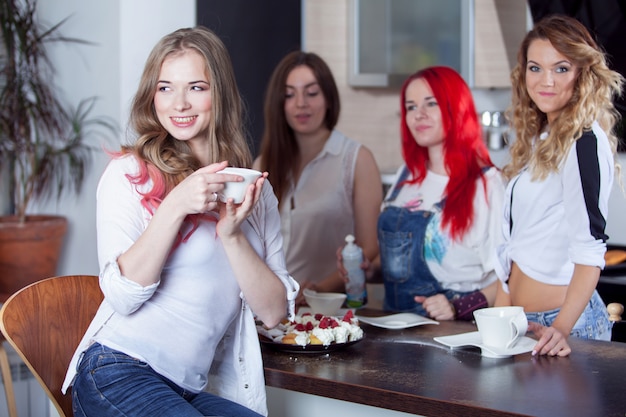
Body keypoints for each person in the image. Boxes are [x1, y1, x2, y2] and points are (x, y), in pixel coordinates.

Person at [61, 26, 298, 417]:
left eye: (197, 87)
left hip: (187, 388)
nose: (179, 103)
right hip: (118, 372)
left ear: (218, 93)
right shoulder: (129, 173)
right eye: (165, 88)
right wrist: (175, 205)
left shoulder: (255, 192)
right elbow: (121, 295)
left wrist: (231, 235)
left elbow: (274, 315)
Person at [495, 14, 624, 356]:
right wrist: (501, 311)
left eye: (561, 68)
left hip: (565, 326)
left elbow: (590, 251)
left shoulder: (582, 141)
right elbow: (518, 242)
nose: (545, 81)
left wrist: (561, 329)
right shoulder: (540, 139)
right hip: (523, 321)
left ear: (582, 73)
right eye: (535, 68)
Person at [344, 65, 505, 321]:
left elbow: (512, 280)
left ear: (456, 107)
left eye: (431, 104)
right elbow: (400, 268)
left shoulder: (486, 186)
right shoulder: (405, 176)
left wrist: (458, 307)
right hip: (395, 330)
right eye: (411, 107)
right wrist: (368, 270)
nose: (418, 115)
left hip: (456, 336)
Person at [253, 51, 382, 306]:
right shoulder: (263, 164)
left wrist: (317, 289)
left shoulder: (356, 159)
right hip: (272, 308)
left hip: (332, 307)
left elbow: (370, 247)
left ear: (329, 99)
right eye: (289, 95)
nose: (301, 103)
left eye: (312, 93)